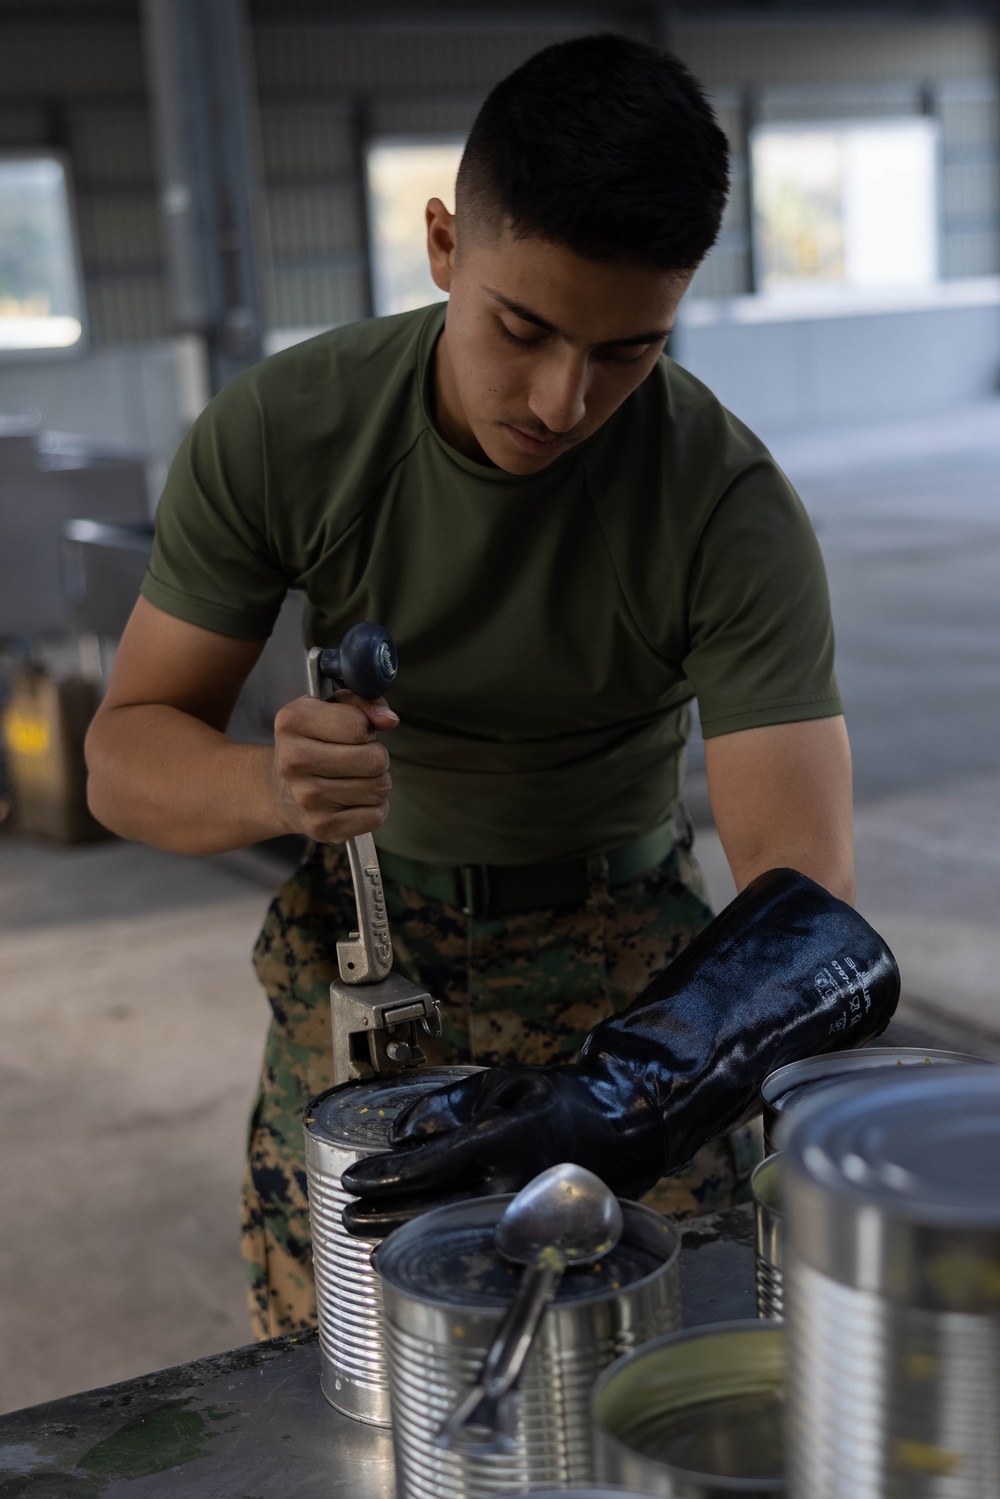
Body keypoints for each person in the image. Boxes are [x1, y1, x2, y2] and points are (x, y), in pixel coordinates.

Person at [85, 34, 856, 1340]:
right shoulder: (290, 432)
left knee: (653, 1383)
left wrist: (634, 1098)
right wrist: (270, 781)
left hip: (642, 996)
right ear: (444, 244)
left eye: (629, 352)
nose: (564, 399)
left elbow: (807, 918)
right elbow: (120, 758)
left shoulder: (722, 503)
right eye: (525, 328)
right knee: (347, 1393)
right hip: (371, 985)